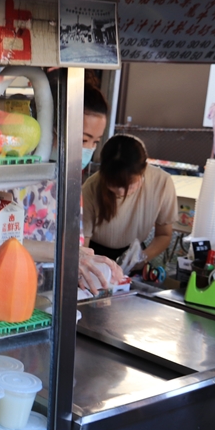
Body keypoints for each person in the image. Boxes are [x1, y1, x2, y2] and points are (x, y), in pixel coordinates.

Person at [19, 83, 122, 291]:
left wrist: (93, 266)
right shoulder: (17, 171)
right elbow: (0, 241)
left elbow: (75, 244)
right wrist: (68, 254)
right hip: (13, 288)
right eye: (84, 139)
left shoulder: (69, 179)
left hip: (51, 296)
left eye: (95, 142)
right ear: (53, 127)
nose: (89, 149)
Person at [82, 134, 177, 268]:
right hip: (96, 256)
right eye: (113, 185)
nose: (121, 192)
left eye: (129, 185)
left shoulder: (161, 183)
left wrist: (141, 258)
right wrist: (88, 265)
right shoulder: (91, 187)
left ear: (143, 170)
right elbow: (83, 243)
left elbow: (164, 234)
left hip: (134, 255)